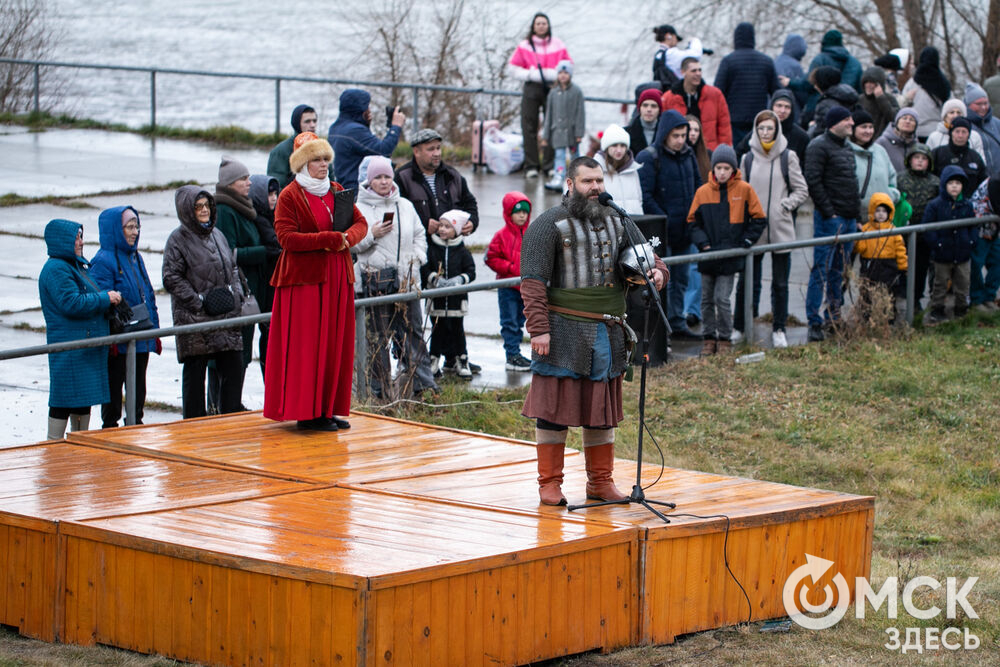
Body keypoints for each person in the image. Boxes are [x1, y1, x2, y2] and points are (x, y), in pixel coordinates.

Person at [520, 156, 667, 505]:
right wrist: (539, 329)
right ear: (570, 184)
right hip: (562, 329)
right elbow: (532, 282)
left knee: (600, 411)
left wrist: (659, 272)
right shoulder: (547, 224)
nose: (596, 188)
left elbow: (649, 258)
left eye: (599, 181)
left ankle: (600, 482)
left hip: (608, 332)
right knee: (553, 409)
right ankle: (550, 484)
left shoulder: (617, 218)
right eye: (587, 181)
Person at [263, 132, 368, 431]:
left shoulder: (335, 190)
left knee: (334, 343)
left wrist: (347, 239)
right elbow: (286, 238)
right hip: (305, 281)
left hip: (336, 275)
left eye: (325, 159)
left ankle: (327, 408)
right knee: (308, 347)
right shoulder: (290, 195)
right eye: (316, 160)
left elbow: (360, 224)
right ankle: (308, 413)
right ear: (302, 163)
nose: (323, 165)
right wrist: (328, 240)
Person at [353, 155, 438, 398]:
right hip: (376, 281)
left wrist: (417, 258)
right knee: (378, 338)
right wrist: (372, 234)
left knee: (413, 333)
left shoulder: (404, 205)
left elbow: (420, 234)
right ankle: (379, 390)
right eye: (378, 177)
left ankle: (423, 384)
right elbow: (350, 244)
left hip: (407, 281)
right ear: (369, 181)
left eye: (387, 176)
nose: (383, 182)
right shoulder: (358, 208)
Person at [162, 186, 244, 419]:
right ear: (188, 211)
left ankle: (230, 420)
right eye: (198, 207)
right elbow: (171, 278)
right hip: (196, 318)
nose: (203, 211)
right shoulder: (177, 240)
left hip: (225, 315)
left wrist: (235, 295)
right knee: (195, 375)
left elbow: (233, 267)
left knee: (233, 368)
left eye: (206, 206)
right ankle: (193, 426)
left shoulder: (217, 234)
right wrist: (199, 302)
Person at [39, 219, 122, 439]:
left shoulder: (73, 265)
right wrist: (105, 298)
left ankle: (77, 446)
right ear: (62, 240)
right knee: (63, 400)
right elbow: (71, 303)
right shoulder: (56, 268)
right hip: (71, 349)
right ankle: (54, 448)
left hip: (81, 349)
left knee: (81, 400)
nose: (80, 242)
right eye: (76, 237)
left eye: (80, 237)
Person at [736, 110, 809, 349]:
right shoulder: (747, 158)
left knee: (780, 283)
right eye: (761, 129)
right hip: (754, 230)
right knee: (750, 281)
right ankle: (744, 324)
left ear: (777, 130)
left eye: (770, 128)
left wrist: (784, 206)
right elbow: (740, 190)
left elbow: (801, 190)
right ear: (756, 131)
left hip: (780, 228)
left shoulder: (788, 157)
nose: (766, 133)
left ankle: (779, 328)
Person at [687, 145, 766, 355]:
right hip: (708, 255)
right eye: (718, 168)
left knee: (722, 299)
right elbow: (692, 222)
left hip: (730, 257)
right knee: (706, 299)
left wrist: (746, 241)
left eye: (726, 168)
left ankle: (724, 337)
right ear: (713, 169)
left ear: (733, 169)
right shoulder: (703, 192)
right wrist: (703, 243)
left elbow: (759, 218)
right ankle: (708, 337)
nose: (722, 172)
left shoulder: (744, 190)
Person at [89, 206, 160, 428]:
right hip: (119, 342)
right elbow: (102, 298)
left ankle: (135, 426)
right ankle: (110, 431)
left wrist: (154, 331)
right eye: (129, 227)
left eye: (136, 226)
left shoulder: (135, 257)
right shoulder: (103, 260)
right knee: (113, 390)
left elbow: (148, 294)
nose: (135, 232)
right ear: (116, 230)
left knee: (138, 390)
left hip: (140, 336)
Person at [638, 109, 703, 339]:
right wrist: (663, 218)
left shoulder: (688, 155)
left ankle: (677, 323)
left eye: (683, 135)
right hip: (661, 233)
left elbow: (697, 187)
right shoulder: (650, 157)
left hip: (685, 230)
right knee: (660, 280)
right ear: (665, 134)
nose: (680, 140)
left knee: (682, 278)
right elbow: (646, 195)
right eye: (676, 135)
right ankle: (658, 329)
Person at [211, 156, 267, 413]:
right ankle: (222, 404)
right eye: (243, 179)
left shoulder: (244, 206)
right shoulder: (225, 210)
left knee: (243, 347)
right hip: (237, 291)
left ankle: (232, 402)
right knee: (234, 349)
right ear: (230, 183)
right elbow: (229, 253)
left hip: (250, 288)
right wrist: (263, 251)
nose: (249, 183)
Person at [804, 106, 861, 341]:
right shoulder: (818, 146)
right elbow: (813, 181)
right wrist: (830, 213)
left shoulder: (847, 147)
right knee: (820, 269)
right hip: (830, 219)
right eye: (846, 119)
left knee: (839, 270)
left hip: (848, 219)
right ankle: (813, 320)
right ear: (834, 123)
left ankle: (833, 315)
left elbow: (852, 182)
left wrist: (856, 217)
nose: (851, 122)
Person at [508, 12, 571, 179]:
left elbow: (568, 65)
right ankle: (531, 165)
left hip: (552, 86)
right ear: (533, 26)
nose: (541, 26)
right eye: (538, 23)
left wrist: (554, 74)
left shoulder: (558, 44)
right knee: (529, 125)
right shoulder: (525, 45)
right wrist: (531, 74)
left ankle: (550, 165)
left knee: (552, 125)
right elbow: (513, 68)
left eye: (544, 23)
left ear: (548, 25)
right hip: (532, 87)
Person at [395, 128, 479, 240]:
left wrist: (472, 221)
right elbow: (396, 213)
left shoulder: (453, 176)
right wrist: (423, 224)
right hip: (418, 245)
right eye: (431, 149)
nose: (437, 153)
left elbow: (469, 203)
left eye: (438, 148)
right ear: (416, 152)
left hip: (452, 247)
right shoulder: (402, 177)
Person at [422, 209, 477, 378]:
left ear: (457, 230)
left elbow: (471, 271)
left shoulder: (461, 251)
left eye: (448, 227)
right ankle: (433, 361)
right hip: (437, 301)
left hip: (456, 301)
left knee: (457, 331)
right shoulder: (431, 248)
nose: (442, 229)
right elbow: (424, 268)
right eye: (441, 225)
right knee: (437, 330)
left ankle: (462, 360)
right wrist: (435, 279)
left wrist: (460, 280)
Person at [485, 191, 533, 371]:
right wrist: (511, 267)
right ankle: (511, 355)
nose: (522, 215)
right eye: (518, 211)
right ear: (508, 212)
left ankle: (517, 354)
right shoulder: (501, 236)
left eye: (525, 212)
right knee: (509, 322)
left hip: (526, 288)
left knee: (521, 321)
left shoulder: (532, 234)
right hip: (507, 288)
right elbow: (491, 258)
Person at [713, 22, 779, 146]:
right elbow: (776, 91)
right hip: (759, 118)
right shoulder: (766, 61)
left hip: (734, 118)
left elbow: (718, 92)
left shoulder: (728, 61)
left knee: (738, 154)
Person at [923, 166, 976, 323]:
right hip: (942, 254)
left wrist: (971, 242)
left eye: (958, 183)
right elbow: (928, 227)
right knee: (940, 284)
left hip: (962, 254)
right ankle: (937, 310)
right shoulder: (935, 205)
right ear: (944, 185)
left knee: (963, 284)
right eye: (951, 183)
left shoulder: (967, 205)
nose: (954, 186)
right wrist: (937, 244)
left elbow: (973, 225)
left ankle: (961, 310)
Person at [328, 89, 406, 193]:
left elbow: (362, 150)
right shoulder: (355, 130)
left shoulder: (335, 127)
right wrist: (395, 127)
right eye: (367, 106)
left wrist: (364, 123)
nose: (369, 110)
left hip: (343, 190)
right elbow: (383, 151)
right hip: (357, 192)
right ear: (360, 108)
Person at [853, 193, 907, 324]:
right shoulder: (866, 229)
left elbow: (900, 250)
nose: (881, 214)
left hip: (889, 266)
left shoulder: (893, 231)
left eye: (884, 211)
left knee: (888, 293)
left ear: (889, 213)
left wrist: (903, 266)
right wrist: (859, 237)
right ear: (872, 211)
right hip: (870, 265)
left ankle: (889, 318)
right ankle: (866, 318)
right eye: (877, 211)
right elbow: (860, 249)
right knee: (867, 294)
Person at [897, 143, 940, 309]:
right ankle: (901, 297)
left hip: (924, 234)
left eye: (924, 159)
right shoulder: (900, 178)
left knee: (921, 268)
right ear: (910, 160)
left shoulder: (935, 182)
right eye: (916, 158)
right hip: (903, 234)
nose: (920, 162)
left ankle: (916, 300)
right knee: (902, 267)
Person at [248, 174, 281, 375]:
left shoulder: (274, 216)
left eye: (275, 193)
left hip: (274, 282)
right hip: (266, 284)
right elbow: (275, 243)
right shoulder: (259, 219)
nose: (274, 198)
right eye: (269, 194)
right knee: (268, 333)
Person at [662, 57, 732, 150]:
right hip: (679, 151)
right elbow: (664, 128)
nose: (698, 74)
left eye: (700, 70)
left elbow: (724, 126)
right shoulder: (669, 98)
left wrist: (723, 150)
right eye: (693, 71)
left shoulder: (715, 95)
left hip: (708, 151)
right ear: (683, 72)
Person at [735, 88, 810, 167]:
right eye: (779, 105)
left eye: (787, 107)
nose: (782, 110)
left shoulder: (801, 137)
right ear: (772, 106)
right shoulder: (760, 131)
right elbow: (739, 154)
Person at [849, 109, 899, 221]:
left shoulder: (880, 151)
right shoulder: (846, 152)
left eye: (870, 127)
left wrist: (892, 195)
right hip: (858, 218)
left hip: (882, 216)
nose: (868, 131)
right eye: (863, 127)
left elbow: (892, 176)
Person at [542, 60, 586, 191]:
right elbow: (549, 114)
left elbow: (580, 113)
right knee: (559, 156)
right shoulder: (553, 93)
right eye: (560, 72)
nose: (563, 75)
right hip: (558, 132)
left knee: (575, 156)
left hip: (572, 133)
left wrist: (579, 133)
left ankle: (576, 178)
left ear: (570, 74)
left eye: (566, 72)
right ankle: (558, 176)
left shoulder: (577, 91)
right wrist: (546, 135)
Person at [267, 104, 322, 190]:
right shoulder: (281, 151)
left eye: (314, 121)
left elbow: (331, 181)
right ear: (297, 123)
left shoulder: (321, 148)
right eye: (307, 121)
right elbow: (276, 186)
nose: (312, 125)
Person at [903, 47, 951, 141]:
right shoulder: (943, 84)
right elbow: (949, 107)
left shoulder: (912, 82)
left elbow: (902, 105)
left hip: (914, 131)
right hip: (936, 132)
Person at [932, 117, 987, 199]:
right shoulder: (938, 153)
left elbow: (983, 182)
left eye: (964, 132)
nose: (960, 135)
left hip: (968, 203)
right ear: (951, 133)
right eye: (957, 131)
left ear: (968, 134)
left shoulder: (975, 157)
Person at [593, 124, 642, 214]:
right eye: (614, 145)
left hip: (634, 223)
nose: (619, 150)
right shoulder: (596, 170)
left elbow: (639, 200)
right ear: (607, 148)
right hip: (610, 224)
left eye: (622, 146)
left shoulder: (632, 170)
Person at [970, 177, 1000, 311]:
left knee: (997, 262)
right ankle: (976, 300)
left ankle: (989, 296)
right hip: (980, 227)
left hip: (995, 228)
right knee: (977, 263)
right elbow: (997, 205)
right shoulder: (995, 181)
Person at [808, 67, 859, 137]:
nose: (815, 87)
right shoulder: (848, 96)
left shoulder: (825, 104)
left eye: (815, 83)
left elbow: (820, 132)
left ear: (821, 84)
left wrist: (812, 127)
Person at [652, 23, 703, 88]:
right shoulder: (670, 54)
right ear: (668, 36)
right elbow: (696, 54)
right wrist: (694, 40)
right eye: (676, 38)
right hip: (674, 93)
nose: (677, 42)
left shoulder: (659, 55)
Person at [965, 83, 1000, 175]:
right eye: (978, 104)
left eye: (985, 103)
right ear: (968, 105)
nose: (983, 107)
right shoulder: (964, 125)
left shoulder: (997, 123)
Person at [859, 67, 900, 139]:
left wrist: (880, 98)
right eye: (866, 82)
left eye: (872, 82)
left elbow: (895, 119)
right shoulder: (860, 99)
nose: (868, 85)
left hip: (882, 139)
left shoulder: (889, 98)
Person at [876, 108, 919, 173]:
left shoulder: (917, 146)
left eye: (912, 119)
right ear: (897, 121)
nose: (907, 121)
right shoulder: (883, 142)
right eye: (904, 118)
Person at [626, 88, 662, 154]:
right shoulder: (626, 134)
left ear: (659, 110)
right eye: (645, 105)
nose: (649, 109)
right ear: (639, 108)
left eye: (653, 106)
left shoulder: (666, 134)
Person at [686, 115, 713, 183]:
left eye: (696, 130)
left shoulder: (708, 154)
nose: (693, 133)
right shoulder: (677, 155)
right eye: (689, 129)